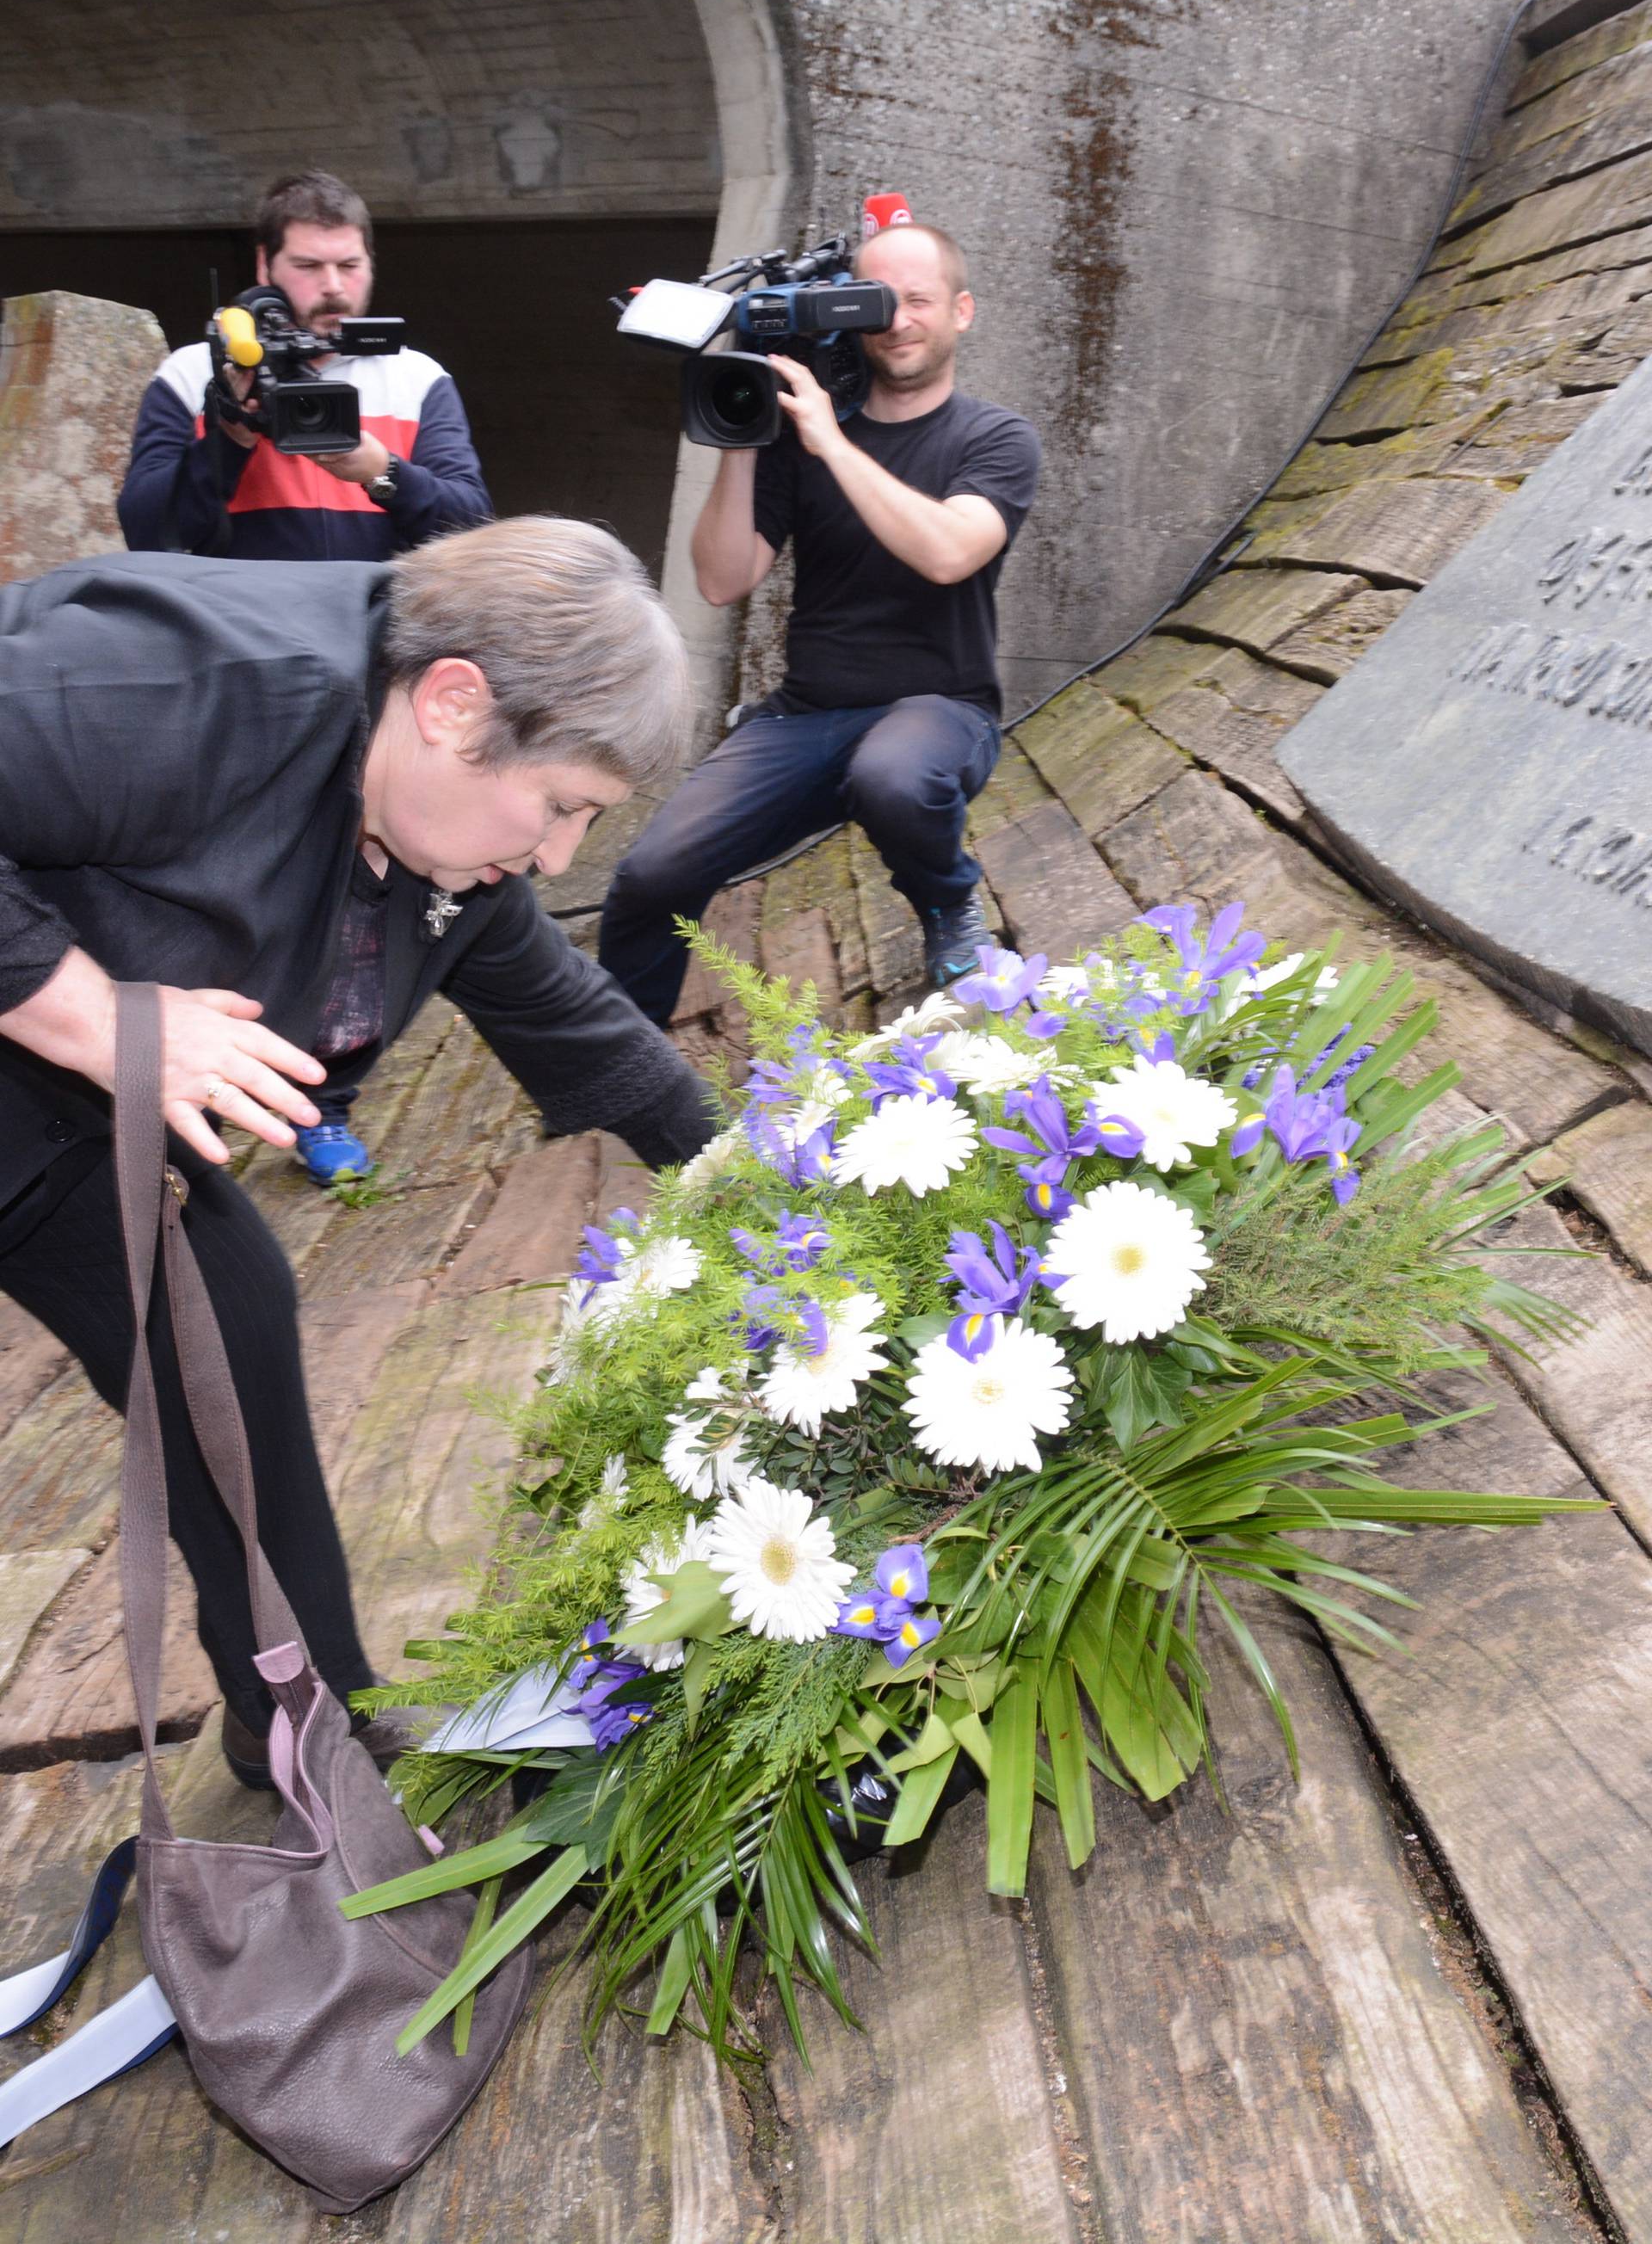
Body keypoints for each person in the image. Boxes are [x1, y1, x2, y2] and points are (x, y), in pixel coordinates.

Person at [0, 517, 715, 1789]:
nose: (557, 857)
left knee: (222, 1311)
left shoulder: (432, 832)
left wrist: (753, 1183)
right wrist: (95, 1015)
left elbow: (571, 1017)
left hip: (44, 1102)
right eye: (558, 808)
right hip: (48, 1028)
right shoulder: (207, 691)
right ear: (453, 704)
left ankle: (304, 1721)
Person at [118, 169, 494, 1185]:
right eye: (307, 265)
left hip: (377, 685)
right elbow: (150, 536)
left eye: (348, 264)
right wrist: (229, 436)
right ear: (264, 268)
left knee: (364, 910)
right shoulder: (189, 376)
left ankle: (323, 1100)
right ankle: (175, 1088)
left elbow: (470, 529)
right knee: (215, 897)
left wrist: (376, 468)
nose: (330, 286)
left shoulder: (414, 379)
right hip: (235, 683)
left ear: (371, 267)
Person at [598, 221, 1040, 1024]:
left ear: (962, 311)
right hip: (808, 714)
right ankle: (621, 1067)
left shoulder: (995, 438)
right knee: (650, 877)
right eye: (880, 302)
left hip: (939, 711)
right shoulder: (796, 442)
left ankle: (949, 906)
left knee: (894, 776)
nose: (900, 320)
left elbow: (948, 553)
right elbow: (721, 578)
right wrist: (743, 433)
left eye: (920, 300)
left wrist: (833, 441)